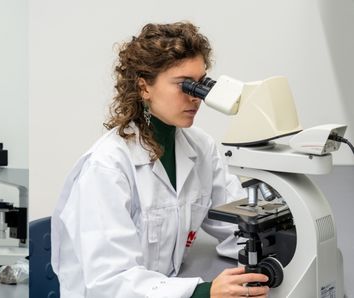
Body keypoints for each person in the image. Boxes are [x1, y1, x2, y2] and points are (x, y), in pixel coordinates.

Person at [50, 22, 270, 298]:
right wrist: (203, 292)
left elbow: (236, 229)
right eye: (184, 85)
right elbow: (110, 281)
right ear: (144, 87)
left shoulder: (201, 147)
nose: (196, 98)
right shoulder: (107, 166)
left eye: (201, 85)